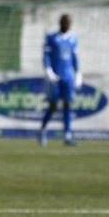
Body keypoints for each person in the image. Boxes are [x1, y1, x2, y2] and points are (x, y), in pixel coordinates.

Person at [38, 14, 81, 146]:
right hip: (55, 77)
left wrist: (78, 73)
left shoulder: (73, 39)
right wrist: (49, 71)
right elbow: (46, 56)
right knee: (53, 106)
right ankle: (43, 130)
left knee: (68, 104)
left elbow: (74, 58)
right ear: (60, 23)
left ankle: (67, 135)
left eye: (68, 22)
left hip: (68, 77)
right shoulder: (51, 38)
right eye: (65, 22)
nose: (66, 24)